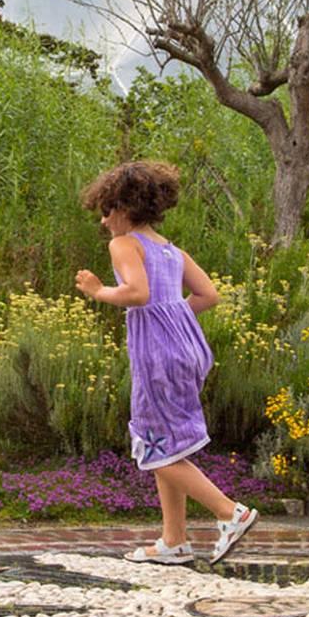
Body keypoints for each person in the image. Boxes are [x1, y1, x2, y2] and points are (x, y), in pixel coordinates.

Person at [75, 161, 256, 565]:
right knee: (169, 442)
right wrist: (173, 316)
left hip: (158, 356)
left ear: (123, 208)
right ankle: (174, 540)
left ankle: (230, 513)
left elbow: (136, 294)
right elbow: (208, 295)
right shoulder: (171, 250)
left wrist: (98, 290)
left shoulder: (124, 244)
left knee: (151, 443)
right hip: (189, 351)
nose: (104, 222)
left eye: (106, 212)